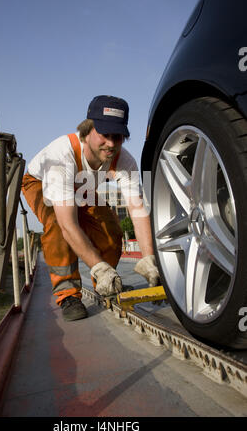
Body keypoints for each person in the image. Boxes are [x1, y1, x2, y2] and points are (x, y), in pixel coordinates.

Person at [21, 95, 160, 321]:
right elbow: (68, 225)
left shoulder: (124, 160)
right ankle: (67, 294)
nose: (112, 144)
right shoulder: (60, 157)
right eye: (105, 135)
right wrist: (97, 265)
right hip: (41, 183)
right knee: (57, 224)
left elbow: (137, 209)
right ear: (87, 131)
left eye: (118, 137)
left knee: (111, 229)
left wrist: (149, 259)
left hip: (81, 185)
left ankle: (106, 282)